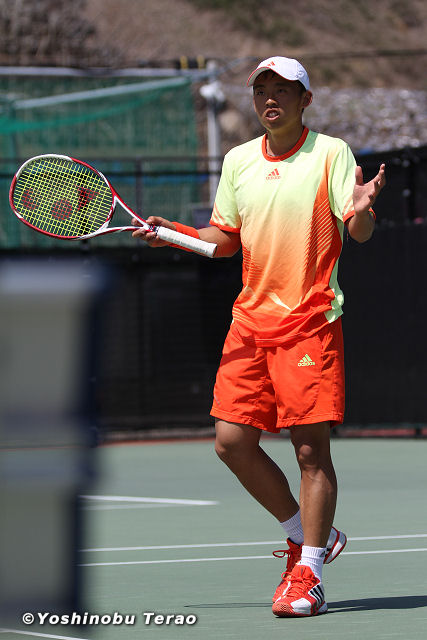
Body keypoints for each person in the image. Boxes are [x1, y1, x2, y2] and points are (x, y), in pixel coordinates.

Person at [132, 56, 386, 618]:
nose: (271, 98)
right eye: (262, 90)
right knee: (231, 442)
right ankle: (305, 534)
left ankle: (309, 573)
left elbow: (358, 229)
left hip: (309, 322)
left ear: (305, 100)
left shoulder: (332, 153)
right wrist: (173, 234)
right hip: (250, 325)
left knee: (309, 451)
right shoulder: (239, 161)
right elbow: (223, 239)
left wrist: (363, 210)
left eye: (283, 90)